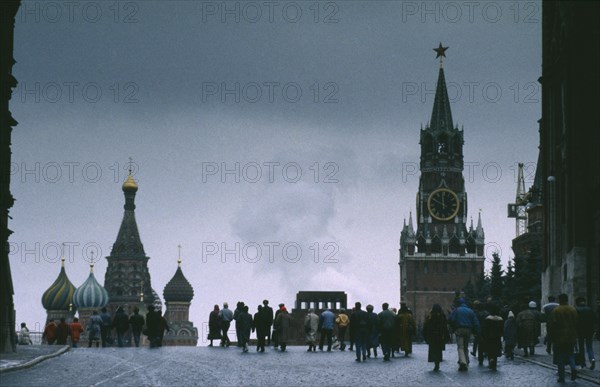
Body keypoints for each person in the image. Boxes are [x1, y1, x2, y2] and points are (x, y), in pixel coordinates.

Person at [549, 293, 578, 383]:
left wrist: (550, 336)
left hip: (559, 336)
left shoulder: (556, 310)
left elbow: (553, 324)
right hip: (571, 335)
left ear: (559, 300)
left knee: (560, 357)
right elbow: (576, 322)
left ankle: (562, 376)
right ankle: (573, 368)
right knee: (570, 354)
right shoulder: (573, 309)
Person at [449, 298, 480, 371]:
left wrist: (453, 327)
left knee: (460, 347)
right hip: (468, 330)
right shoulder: (470, 311)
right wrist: (477, 331)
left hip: (459, 329)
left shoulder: (456, 310)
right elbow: (475, 322)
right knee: (466, 346)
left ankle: (463, 362)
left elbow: (451, 319)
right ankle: (466, 360)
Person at [423, 304, 450, 371]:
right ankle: (437, 363)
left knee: (433, 350)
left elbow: (426, 327)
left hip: (432, 336)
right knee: (438, 350)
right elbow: (445, 327)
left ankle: (435, 363)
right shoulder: (442, 316)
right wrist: (446, 336)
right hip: (440, 336)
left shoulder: (430, 317)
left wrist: (425, 336)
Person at [575, 297, 596, 370]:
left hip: (580, 331)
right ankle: (592, 359)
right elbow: (594, 320)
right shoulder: (589, 309)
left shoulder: (576, 310)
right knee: (589, 347)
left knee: (581, 347)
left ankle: (582, 363)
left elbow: (575, 321)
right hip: (589, 331)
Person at [482, 303, 504, 370]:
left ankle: (490, 360)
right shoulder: (500, 319)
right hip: (497, 337)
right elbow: (502, 329)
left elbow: (485, 328)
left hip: (489, 337)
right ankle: (494, 362)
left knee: (490, 350)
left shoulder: (488, 319)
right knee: (496, 350)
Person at [472, 301, 489, 365]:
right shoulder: (487, 313)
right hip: (486, 331)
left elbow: (475, 323)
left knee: (480, 345)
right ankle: (487, 353)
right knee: (486, 343)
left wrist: (474, 331)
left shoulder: (476, 314)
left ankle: (480, 359)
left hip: (479, 331)